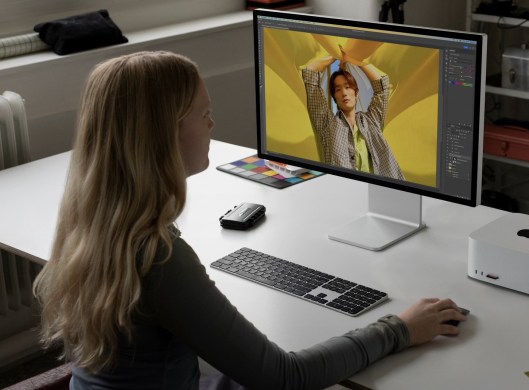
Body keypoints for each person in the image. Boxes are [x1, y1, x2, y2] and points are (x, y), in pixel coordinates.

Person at [33, 51, 466, 389]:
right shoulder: (157, 256)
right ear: (162, 135)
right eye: (203, 114)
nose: (212, 123)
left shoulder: (90, 221)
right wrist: (400, 329)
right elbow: (283, 377)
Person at [302, 52, 405, 180]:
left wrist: (356, 60)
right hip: (344, 191)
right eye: (338, 89)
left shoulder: (372, 120)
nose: (344, 93)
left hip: (383, 190)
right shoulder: (327, 123)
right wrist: (335, 55)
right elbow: (310, 73)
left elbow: (382, 87)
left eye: (348, 87)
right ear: (335, 98)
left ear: (356, 93)